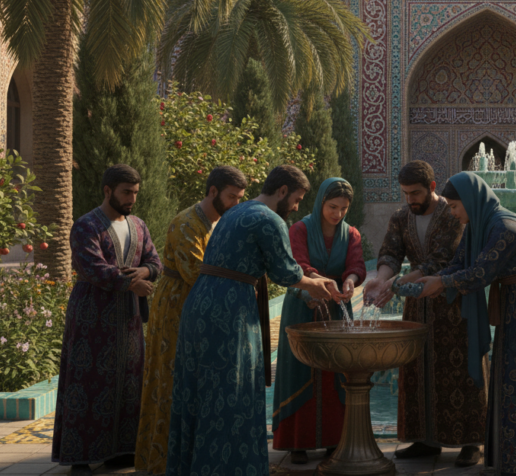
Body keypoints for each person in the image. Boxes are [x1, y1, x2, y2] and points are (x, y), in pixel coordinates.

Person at [166, 165, 342, 476]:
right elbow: (285, 272)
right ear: (283, 192)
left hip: (200, 304)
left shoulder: (238, 211)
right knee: (231, 393)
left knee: (199, 390)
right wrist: (316, 283)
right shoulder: (269, 219)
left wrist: (313, 278)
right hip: (229, 309)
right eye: (298, 199)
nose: (298, 207)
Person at [413, 172, 516, 476]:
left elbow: (480, 274)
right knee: (513, 379)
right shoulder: (479, 223)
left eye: (454, 206)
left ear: (471, 200)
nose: (452, 213)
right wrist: (431, 280)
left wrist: (442, 282)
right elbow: (461, 263)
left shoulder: (504, 228)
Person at [361, 161, 484, 467]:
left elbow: (440, 261)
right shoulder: (402, 216)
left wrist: (396, 283)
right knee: (417, 369)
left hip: (452, 301)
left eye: (415, 193)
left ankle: (470, 441)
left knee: (459, 369)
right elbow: (390, 252)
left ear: (431, 187)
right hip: (416, 306)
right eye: (405, 193)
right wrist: (382, 277)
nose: (410, 199)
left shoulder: (451, 214)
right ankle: (424, 440)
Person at [135, 166, 248, 474]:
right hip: (178, 309)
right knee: (172, 380)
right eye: (231, 197)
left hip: (203, 309)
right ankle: (162, 461)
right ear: (213, 192)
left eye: (240, 198)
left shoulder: (218, 223)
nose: (236, 204)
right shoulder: (186, 223)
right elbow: (198, 273)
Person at [52, 164, 162, 476]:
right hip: (92, 317)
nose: (132, 199)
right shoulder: (86, 226)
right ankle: (80, 456)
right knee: (86, 382)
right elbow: (91, 267)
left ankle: (119, 451)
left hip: (128, 319)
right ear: (107, 190)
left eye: (135, 193)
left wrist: (144, 271)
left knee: (128, 383)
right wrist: (131, 282)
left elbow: (155, 260)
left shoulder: (139, 226)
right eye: (126, 192)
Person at [272, 178, 365, 463]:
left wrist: (349, 281)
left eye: (343, 208)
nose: (337, 214)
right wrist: (320, 283)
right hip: (303, 306)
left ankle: (333, 441)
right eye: (332, 207)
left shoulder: (351, 234)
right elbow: (298, 264)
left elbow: (356, 265)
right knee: (298, 370)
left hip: (335, 308)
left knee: (335, 372)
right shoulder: (299, 229)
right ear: (321, 202)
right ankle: (297, 442)